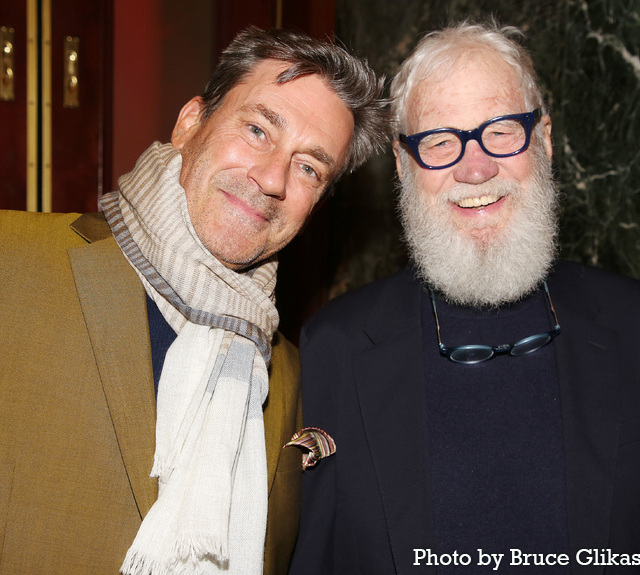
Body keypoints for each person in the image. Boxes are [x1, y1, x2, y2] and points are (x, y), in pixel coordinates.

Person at [289, 20, 640, 574]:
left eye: (501, 130)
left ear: (545, 140)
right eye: (439, 141)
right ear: (404, 163)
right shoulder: (333, 349)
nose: (475, 166)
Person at [0, 26, 387, 575]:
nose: (272, 178)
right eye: (257, 129)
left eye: (309, 168)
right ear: (190, 123)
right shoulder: (11, 263)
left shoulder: (291, 376)